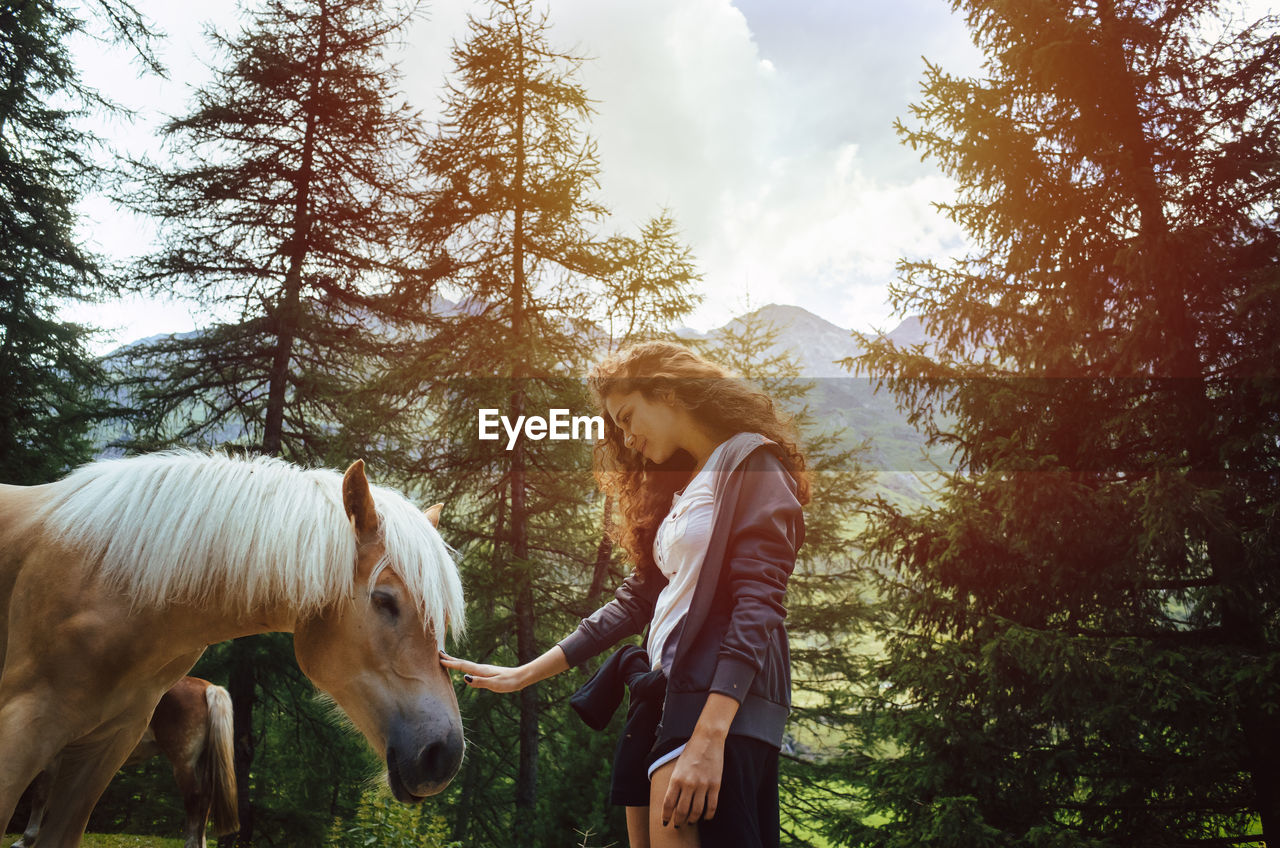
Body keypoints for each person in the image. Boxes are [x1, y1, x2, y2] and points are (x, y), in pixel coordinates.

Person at [440, 340, 809, 848]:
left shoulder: (752, 463)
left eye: (629, 416)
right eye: (616, 425)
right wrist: (524, 674)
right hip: (668, 695)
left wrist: (709, 737)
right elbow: (635, 602)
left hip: (716, 706)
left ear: (668, 393)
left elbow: (758, 604)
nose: (626, 435)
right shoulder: (686, 482)